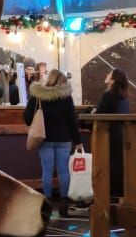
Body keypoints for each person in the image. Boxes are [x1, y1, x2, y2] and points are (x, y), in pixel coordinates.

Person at [24, 67, 84, 218]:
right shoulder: (66, 97)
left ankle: (47, 206)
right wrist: (78, 141)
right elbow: (72, 121)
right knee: (64, 171)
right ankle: (64, 205)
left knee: (47, 172)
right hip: (64, 140)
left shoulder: (38, 95)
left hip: (45, 139)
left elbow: (26, 117)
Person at [96, 67, 130, 201]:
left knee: (107, 165)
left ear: (113, 79)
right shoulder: (124, 96)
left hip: (108, 135)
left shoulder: (108, 95)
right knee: (118, 165)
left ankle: (108, 197)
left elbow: (100, 114)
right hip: (120, 134)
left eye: (109, 74)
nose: (106, 75)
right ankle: (118, 196)